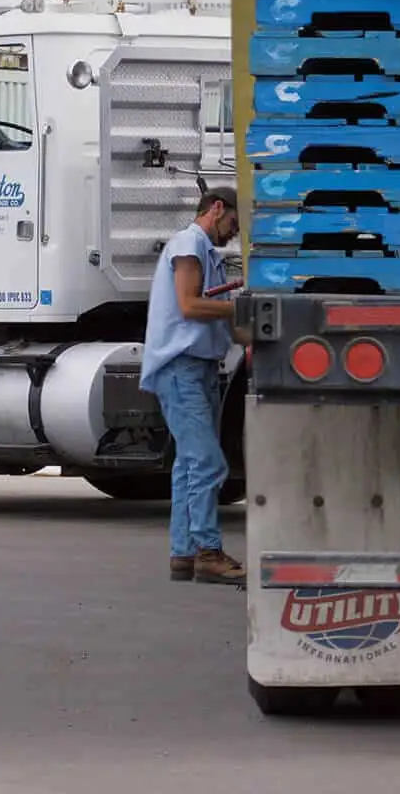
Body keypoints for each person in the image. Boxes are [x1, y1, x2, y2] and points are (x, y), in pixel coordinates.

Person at [138, 186, 246, 584]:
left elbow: (225, 320)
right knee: (207, 461)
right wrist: (239, 308)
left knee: (188, 465)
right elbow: (190, 304)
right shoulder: (189, 242)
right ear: (217, 209)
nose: (233, 233)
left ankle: (183, 554)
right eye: (233, 223)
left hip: (198, 367)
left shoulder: (210, 255)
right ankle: (208, 552)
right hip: (181, 367)